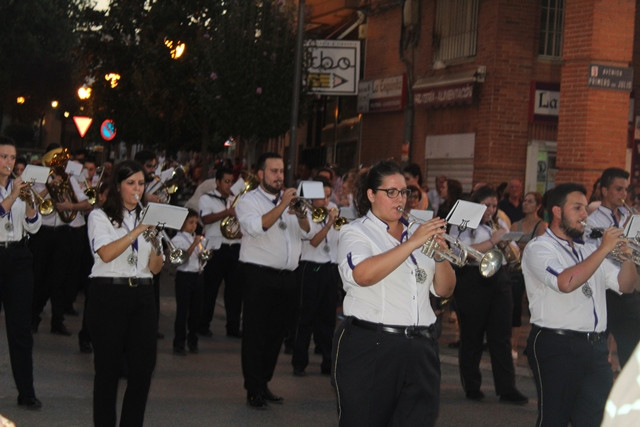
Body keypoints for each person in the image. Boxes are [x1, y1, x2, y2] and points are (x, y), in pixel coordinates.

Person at [332, 160, 455, 426]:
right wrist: (412, 243)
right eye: (391, 192)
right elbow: (363, 275)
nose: (400, 199)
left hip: (421, 346)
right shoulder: (356, 232)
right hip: (373, 344)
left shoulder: (417, 233)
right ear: (371, 195)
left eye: (404, 192)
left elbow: (444, 289)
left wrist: (440, 253)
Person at [522, 182, 639, 426]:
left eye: (585, 208)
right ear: (557, 211)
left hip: (595, 348)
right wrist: (604, 248)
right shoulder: (539, 248)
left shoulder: (588, 250)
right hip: (557, 344)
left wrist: (628, 258)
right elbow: (565, 282)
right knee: (555, 418)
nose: (585, 215)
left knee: (596, 419)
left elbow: (625, 286)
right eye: (577, 208)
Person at [86, 160, 164, 426]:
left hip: (142, 295)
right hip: (109, 294)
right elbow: (106, 253)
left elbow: (155, 268)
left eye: (141, 183)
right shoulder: (99, 216)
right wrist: (138, 231)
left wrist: (155, 242)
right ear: (118, 187)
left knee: (143, 371)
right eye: (131, 183)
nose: (137, 189)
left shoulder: (148, 218)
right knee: (107, 372)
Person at [235, 152, 311, 409]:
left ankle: (263, 382)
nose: (280, 176)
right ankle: (253, 388)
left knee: (276, 334)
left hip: (288, 276)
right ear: (261, 174)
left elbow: (307, 232)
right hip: (259, 275)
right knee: (256, 333)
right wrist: (282, 207)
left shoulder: (290, 201)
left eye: (281, 171)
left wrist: (299, 213)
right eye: (274, 171)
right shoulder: (248, 201)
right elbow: (256, 227)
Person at [449, 186, 528, 404]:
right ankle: (472, 386)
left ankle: (507, 388)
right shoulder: (463, 221)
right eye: (486, 205)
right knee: (472, 336)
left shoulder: (498, 223)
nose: (491, 210)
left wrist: (506, 243)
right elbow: (461, 252)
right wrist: (493, 241)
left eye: (494, 206)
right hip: (473, 279)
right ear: (476, 204)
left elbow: (513, 250)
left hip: (500, 278)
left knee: (501, 336)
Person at [0, 135, 42, 409]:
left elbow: (34, 225)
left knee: (20, 329)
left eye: (13, 157)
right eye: (4, 157)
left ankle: (26, 392)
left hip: (18, 256)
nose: (9, 162)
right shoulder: (13, 188)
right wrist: (14, 194)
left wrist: (28, 199)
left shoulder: (20, 186)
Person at [586, 167, 640, 369]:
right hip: (605, 290)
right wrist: (625, 231)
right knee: (597, 345)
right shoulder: (592, 222)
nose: (623, 195)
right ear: (604, 190)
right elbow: (596, 252)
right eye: (618, 189)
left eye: (625, 190)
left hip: (627, 287)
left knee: (632, 346)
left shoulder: (631, 215)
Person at [292, 176, 342, 377]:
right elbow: (313, 240)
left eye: (329, 196)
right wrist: (329, 224)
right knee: (306, 317)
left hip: (330, 268)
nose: (326, 201)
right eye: (322, 197)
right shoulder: (305, 213)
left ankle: (328, 362)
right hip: (311, 267)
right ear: (312, 197)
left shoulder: (333, 210)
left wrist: (337, 224)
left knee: (328, 319)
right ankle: (299, 362)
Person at [197, 167, 243, 338]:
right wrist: (227, 212)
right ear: (217, 182)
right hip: (216, 247)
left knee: (235, 291)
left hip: (235, 247)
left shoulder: (236, 200)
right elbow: (205, 219)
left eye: (231, 182)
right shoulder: (206, 198)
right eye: (226, 181)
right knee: (210, 288)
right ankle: (203, 324)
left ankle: (233, 327)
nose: (229, 185)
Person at [509, 191, 547, 359]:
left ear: (538, 206)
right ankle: (513, 344)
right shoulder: (515, 224)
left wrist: (521, 249)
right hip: (517, 270)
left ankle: (534, 342)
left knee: (534, 307)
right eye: (524, 201)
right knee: (515, 306)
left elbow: (539, 249)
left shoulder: (541, 225)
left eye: (530, 201)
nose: (525, 204)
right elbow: (510, 248)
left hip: (533, 271)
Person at [171, 209, 205, 355]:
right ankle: (179, 342)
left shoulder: (194, 238)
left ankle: (193, 340)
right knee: (182, 311)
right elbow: (182, 258)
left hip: (196, 275)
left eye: (196, 223)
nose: (194, 226)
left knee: (196, 311)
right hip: (184, 277)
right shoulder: (177, 240)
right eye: (191, 222)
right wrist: (195, 244)